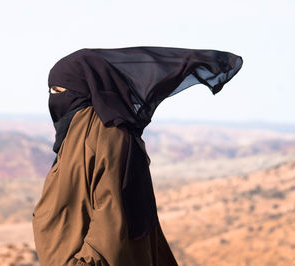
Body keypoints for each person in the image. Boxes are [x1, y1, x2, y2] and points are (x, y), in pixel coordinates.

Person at [32, 47, 243, 266]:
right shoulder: (76, 135)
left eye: (59, 90)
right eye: (52, 92)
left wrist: (87, 262)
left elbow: (111, 213)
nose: (54, 98)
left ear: (84, 90)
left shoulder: (107, 136)